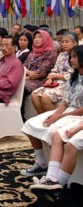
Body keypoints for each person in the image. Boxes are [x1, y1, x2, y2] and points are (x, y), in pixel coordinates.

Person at [21, 45, 83, 177]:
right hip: (68, 111)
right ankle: (42, 163)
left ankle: (56, 170)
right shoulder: (74, 77)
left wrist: (60, 116)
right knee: (32, 124)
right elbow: (66, 102)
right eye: (71, 57)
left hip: (78, 115)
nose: (71, 60)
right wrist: (54, 115)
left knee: (53, 131)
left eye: (74, 57)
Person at [31, 32, 77, 114]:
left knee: (45, 97)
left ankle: (54, 121)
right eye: (62, 42)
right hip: (55, 82)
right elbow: (54, 69)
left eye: (67, 42)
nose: (64, 44)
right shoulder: (62, 55)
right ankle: (42, 118)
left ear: (75, 43)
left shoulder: (78, 55)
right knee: (34, 95)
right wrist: (50, 78)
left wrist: (56, 76)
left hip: (68, 83)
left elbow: (75, 74)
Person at [21, 30, 58, 118]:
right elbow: (21, 67)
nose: (36, 39)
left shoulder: (50, 53)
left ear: (46, 39)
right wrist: (28, 73)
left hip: (41, 81)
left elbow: (39, 74)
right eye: (35, 37)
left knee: (21, 88)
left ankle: (22, 116)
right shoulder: (33, 52)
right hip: (27, 79)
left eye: (40, 37)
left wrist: (27, 73)